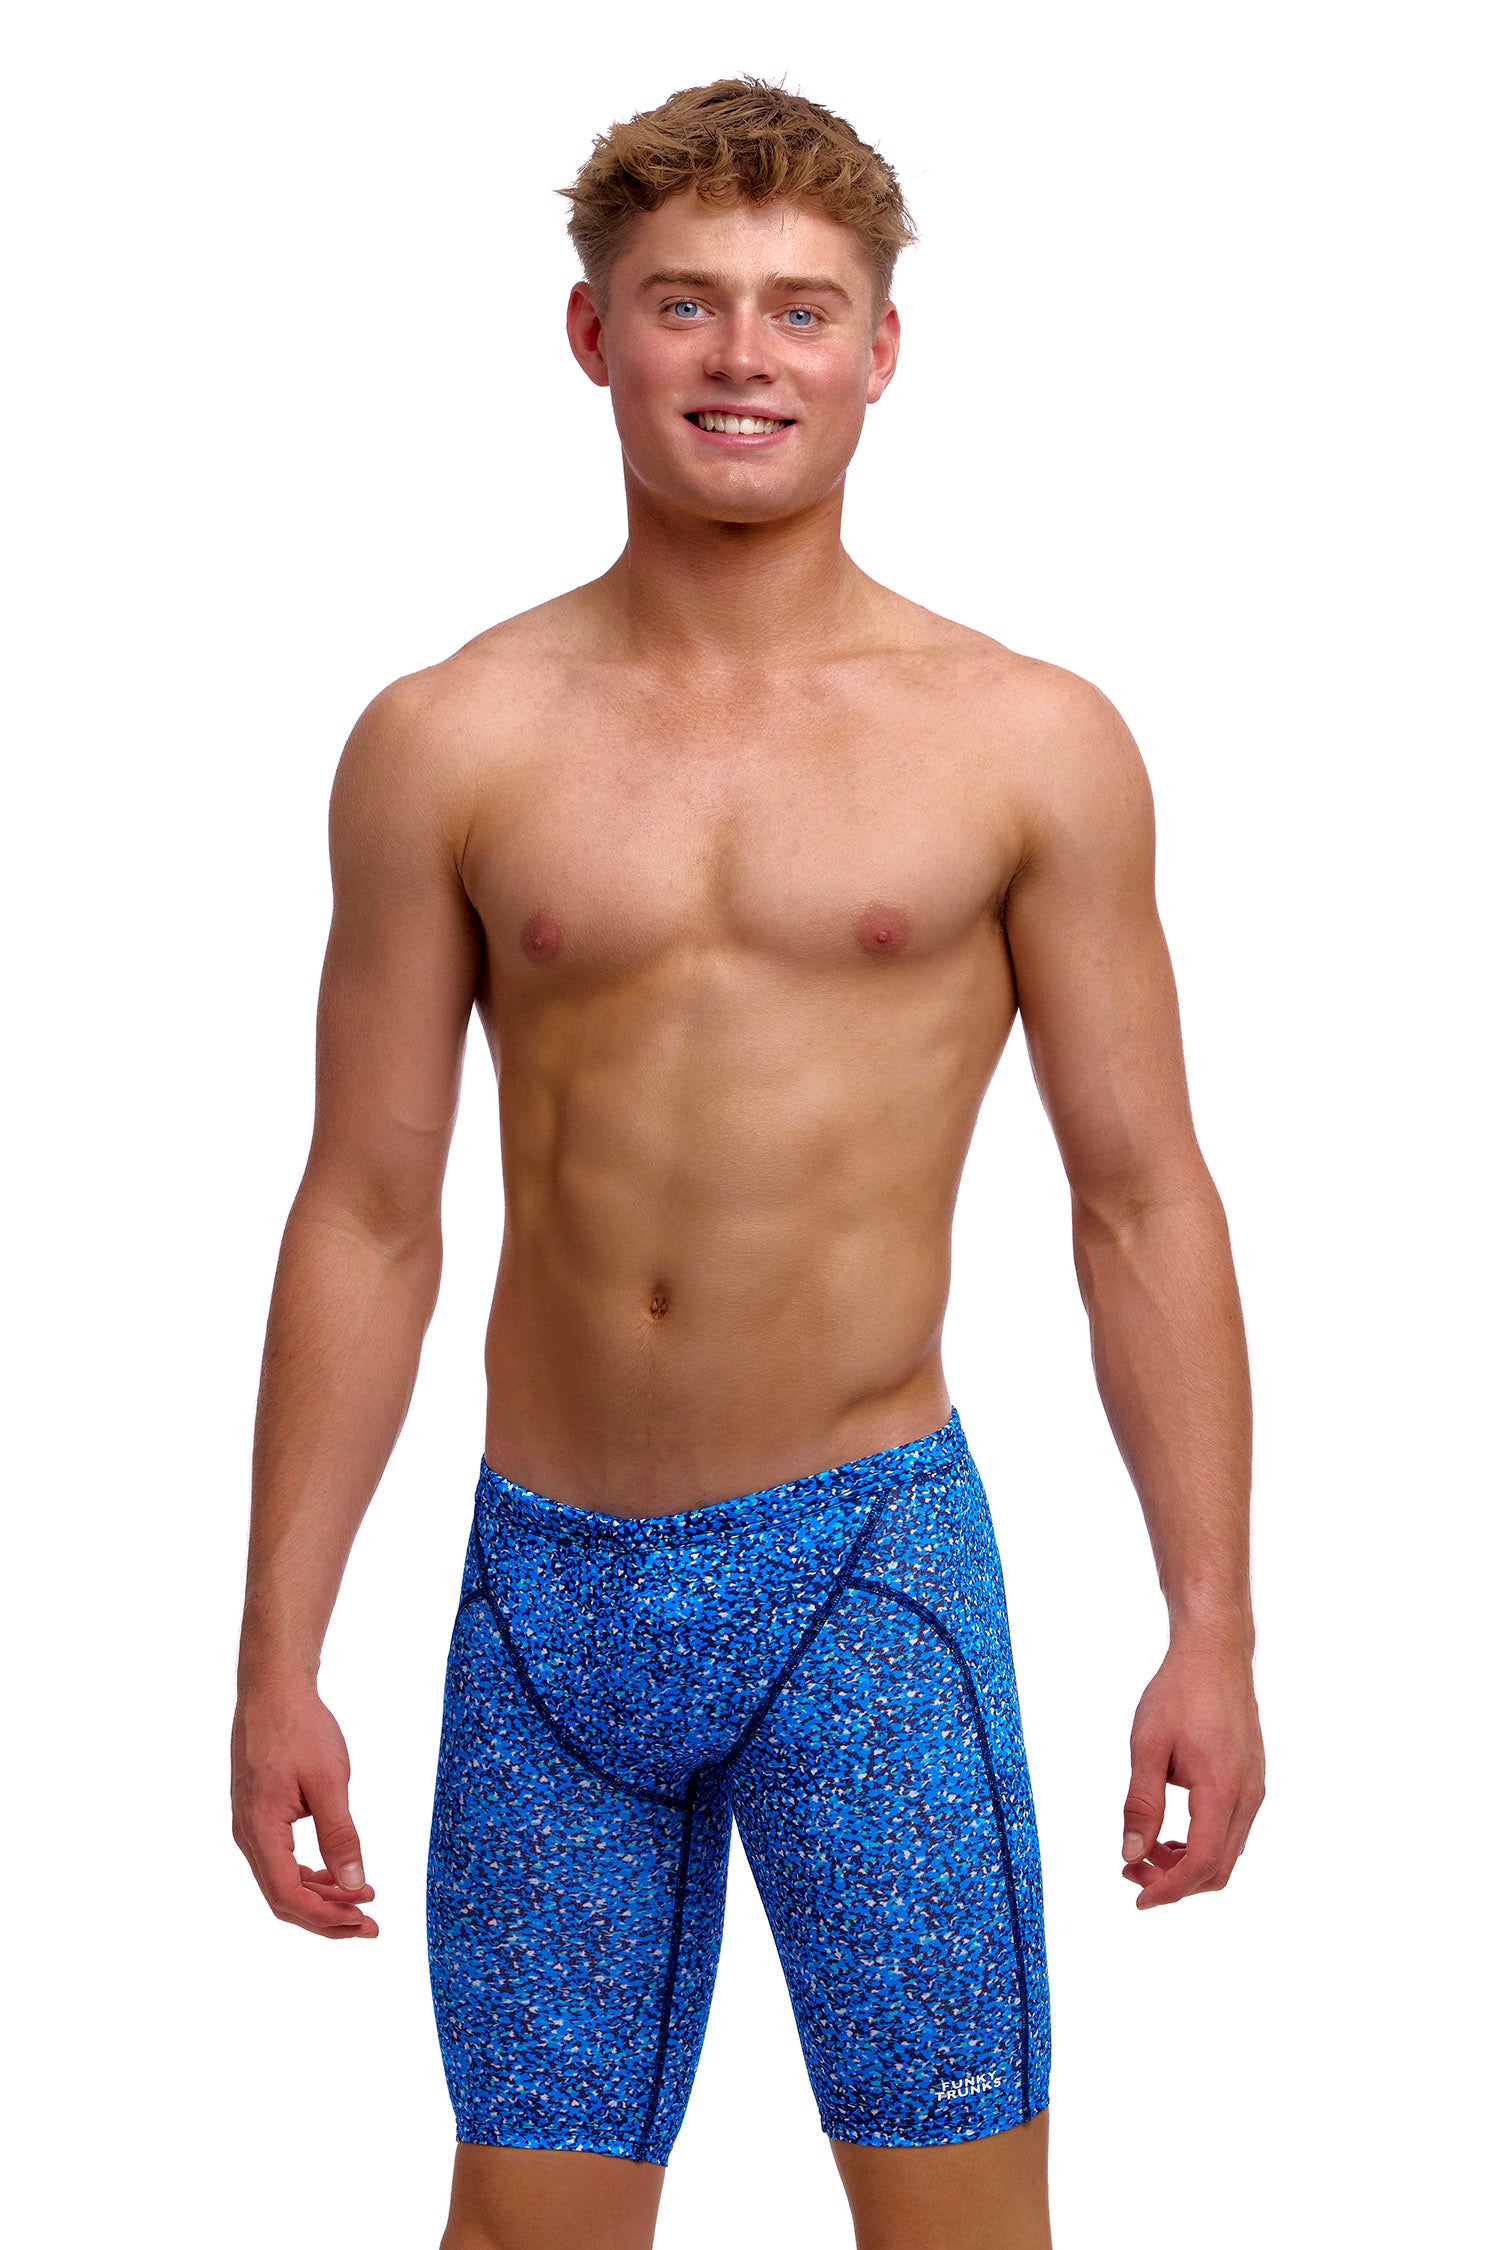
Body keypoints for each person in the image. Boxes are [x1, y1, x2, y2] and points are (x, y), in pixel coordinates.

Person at [230, 74, 1265, 2250]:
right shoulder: (447, 738)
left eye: (800, 310)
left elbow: (1140, 1196)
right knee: (522, 2226)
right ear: (591, 333)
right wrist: (276, 1651)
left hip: (863, 1580)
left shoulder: (1026, 741)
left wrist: (1211, 1625)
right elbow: (369, 1209)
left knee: (958, 2230)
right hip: (545, 1597)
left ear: (881, 351)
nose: (741, 355)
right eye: (685, 301)